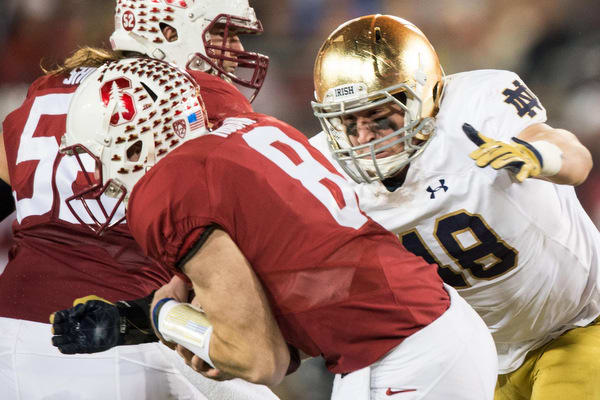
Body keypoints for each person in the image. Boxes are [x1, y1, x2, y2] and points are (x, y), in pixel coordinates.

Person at [55, 56, 498, 400]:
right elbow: (281, 286)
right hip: (421, 332)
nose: (96, 178)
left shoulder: (167, 191)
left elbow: (258, 358)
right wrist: (146, 316)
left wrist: (164, 317)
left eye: (94, 157)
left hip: (404, 352)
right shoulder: (251, 131)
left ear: (131, 141)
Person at [309, 15, 600, 400]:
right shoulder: (320, 168)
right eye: (349, 122)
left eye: (379, 117)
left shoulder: (477, 105)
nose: (364, 137)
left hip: (576, 323)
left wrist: (538, 155)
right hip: (474, 356)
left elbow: (575, 158)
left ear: (425, 97)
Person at [0, 0, 278, 398]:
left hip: (10, 326)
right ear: (168, 32)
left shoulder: (46, 89)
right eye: (223, 33)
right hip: (113, 331)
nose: (234, 49)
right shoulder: (191, 95)